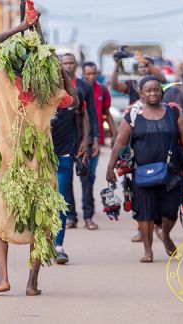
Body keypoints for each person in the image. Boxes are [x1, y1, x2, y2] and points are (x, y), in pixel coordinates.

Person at [0, 12, 76, 296]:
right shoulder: (47, 91)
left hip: (4, 163)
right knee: (40, 221)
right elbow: (74, 98)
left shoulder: (3, 79)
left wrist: (22, 27)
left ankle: (2, 278)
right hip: (38, 164)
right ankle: (32, 284)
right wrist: (58, 67)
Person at [106, 76, 183, 263]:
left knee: (171, 211)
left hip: (172, 171)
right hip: (142, 172)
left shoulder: (173, 112)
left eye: (156, 89)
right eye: (148, 90)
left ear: (162, 91)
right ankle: (148, 250)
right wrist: (110, 168)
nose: (153, 93)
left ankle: (165, 233)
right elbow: (120, 142)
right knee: (145, 212)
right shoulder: (132, 114)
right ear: (140, 93)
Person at [61, 53, 100, 230]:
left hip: (84, 139)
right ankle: (71, 217)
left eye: (71, 63)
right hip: (64, 140)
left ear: (76, 65)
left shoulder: (84, 86)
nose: (68, 66)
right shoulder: (57, 86)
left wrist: (94, 139)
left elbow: (91, 115)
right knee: (66, 180)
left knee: (86, 178)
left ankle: (88, 216)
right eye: (65, 63)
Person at [51, 83, 85, 264]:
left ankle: (58, 246)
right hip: (39, 159)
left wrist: (85, 140)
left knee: (60, 201)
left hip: (63, 157)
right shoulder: (36, 93)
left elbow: (80, 108)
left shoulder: (70, 95)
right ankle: (41, 242)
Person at [83, 61, 118, 146]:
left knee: (95, 159)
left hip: (97, 136)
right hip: (81, 136)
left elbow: (107, 113)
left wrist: (114, 134)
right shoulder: (78, 89)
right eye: (88, 74)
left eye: (94, 73)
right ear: (83, 74)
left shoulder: (103, 90)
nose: (91, 77)